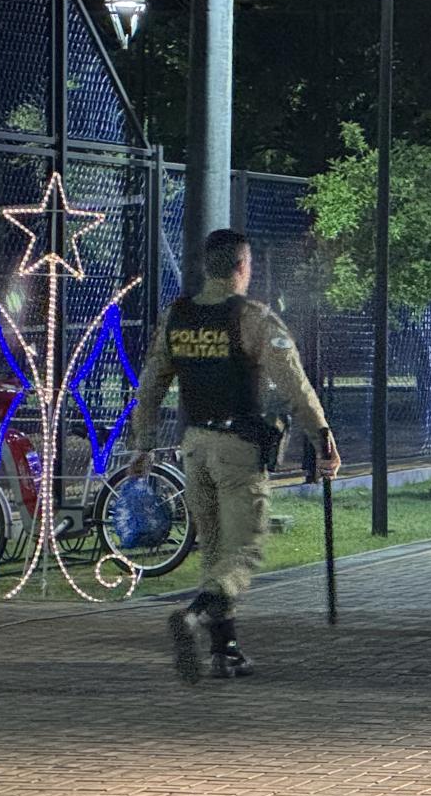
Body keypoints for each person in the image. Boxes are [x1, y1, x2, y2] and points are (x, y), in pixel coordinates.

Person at [130, 228, 340, 683]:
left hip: (194, 449)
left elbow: (149, 387)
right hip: (237, 451)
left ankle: (226, 651)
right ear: (243, 267)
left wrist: (142, 445)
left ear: (209, 267)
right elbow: (295, 386)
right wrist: (322, 436)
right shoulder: (252, 318)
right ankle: (195, 617)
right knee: (243, 550)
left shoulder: (177, 316)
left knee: (215, 553)